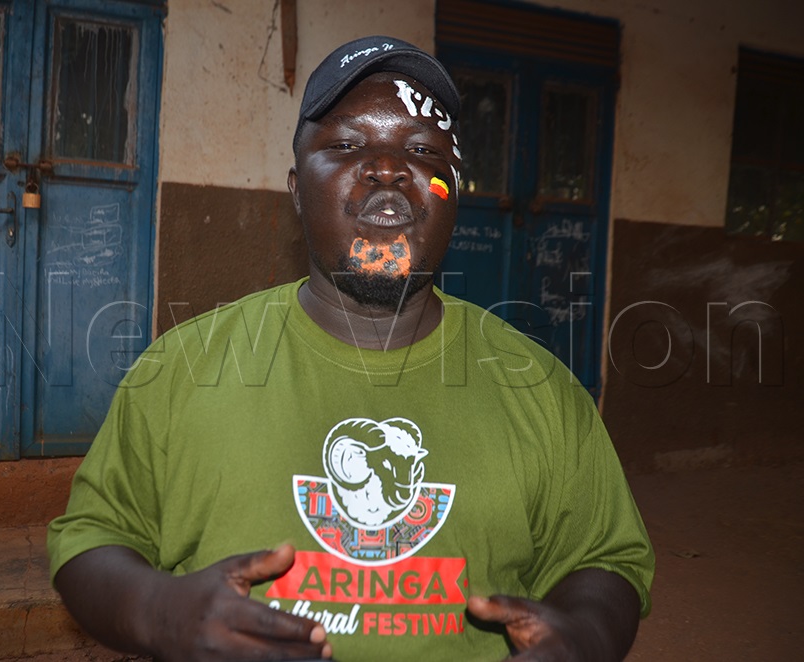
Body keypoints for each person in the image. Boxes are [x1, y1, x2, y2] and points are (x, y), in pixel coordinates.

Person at [47, 35, 654, 662]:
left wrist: (588, 635)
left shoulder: (539, 388)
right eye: (344, 144)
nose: (387, 167)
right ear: (294, 187)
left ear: (455, 194)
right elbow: (91, 538)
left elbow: (605, 559)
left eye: (422, 150)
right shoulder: (183, 369)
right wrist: (157, 612)